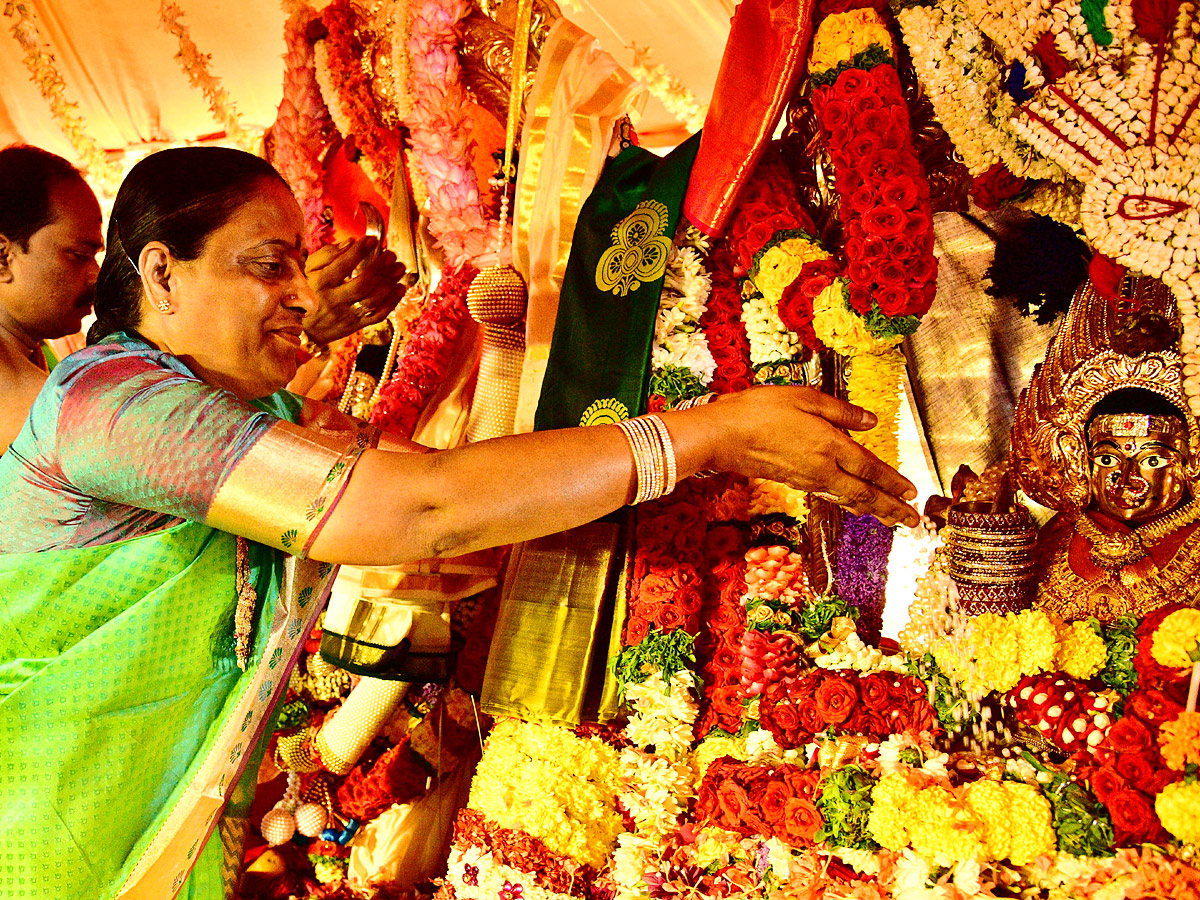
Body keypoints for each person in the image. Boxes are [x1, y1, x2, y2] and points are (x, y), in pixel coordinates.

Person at [0, 146, 918, 900]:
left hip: (149, 827)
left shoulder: (234, 403)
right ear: (161, 273)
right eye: (267, 265)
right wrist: (709, 434)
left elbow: (425, 482)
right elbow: (419, 508)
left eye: (298, 264)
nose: (301, 294)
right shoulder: (110, 405)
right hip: (43, 825)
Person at [0, 143, 407, 452]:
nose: (95, 274)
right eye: (77, 254)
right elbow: (144, 442)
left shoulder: (41, 357)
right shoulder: (89, 398)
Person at [0, 145, 103, 450]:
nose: (95, 274)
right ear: (3, 257)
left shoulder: (37, 352)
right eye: (79, 255)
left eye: (95, 255)